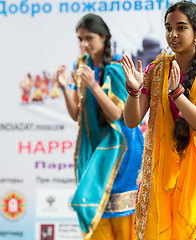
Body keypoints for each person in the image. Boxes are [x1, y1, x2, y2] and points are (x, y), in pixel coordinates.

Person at [121, 1, 196, 239]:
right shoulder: (156, 71)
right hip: (166, 179)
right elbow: (132, 120)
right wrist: (134, 92)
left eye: (181, 28)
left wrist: (177, 94)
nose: (172, 34)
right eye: (168, 28)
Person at [55, 13, 143, 240]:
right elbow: (77, 115)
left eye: (89, 38)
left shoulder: (116, 67)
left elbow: (117, 114)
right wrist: (65, 88)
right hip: (95, 151)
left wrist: (93, 85)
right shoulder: (80, 65)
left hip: (121, 150)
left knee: (123, 220)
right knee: (96, 215)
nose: (84, 44)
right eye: (80, 39)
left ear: (104, 37)